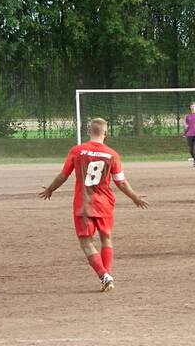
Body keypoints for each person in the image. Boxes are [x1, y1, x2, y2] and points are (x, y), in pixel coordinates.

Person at [39, 118, 149, 292]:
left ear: (89, 131)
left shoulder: (77, 151)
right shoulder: (112, 154)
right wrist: (134, 197)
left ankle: (104, 275)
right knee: (106, 239)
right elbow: (120, 182)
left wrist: (50, 189)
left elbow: (63, 175)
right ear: (106, 133)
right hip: (104, 204)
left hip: (84, 205)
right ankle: (108, 276)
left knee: (86, 242)